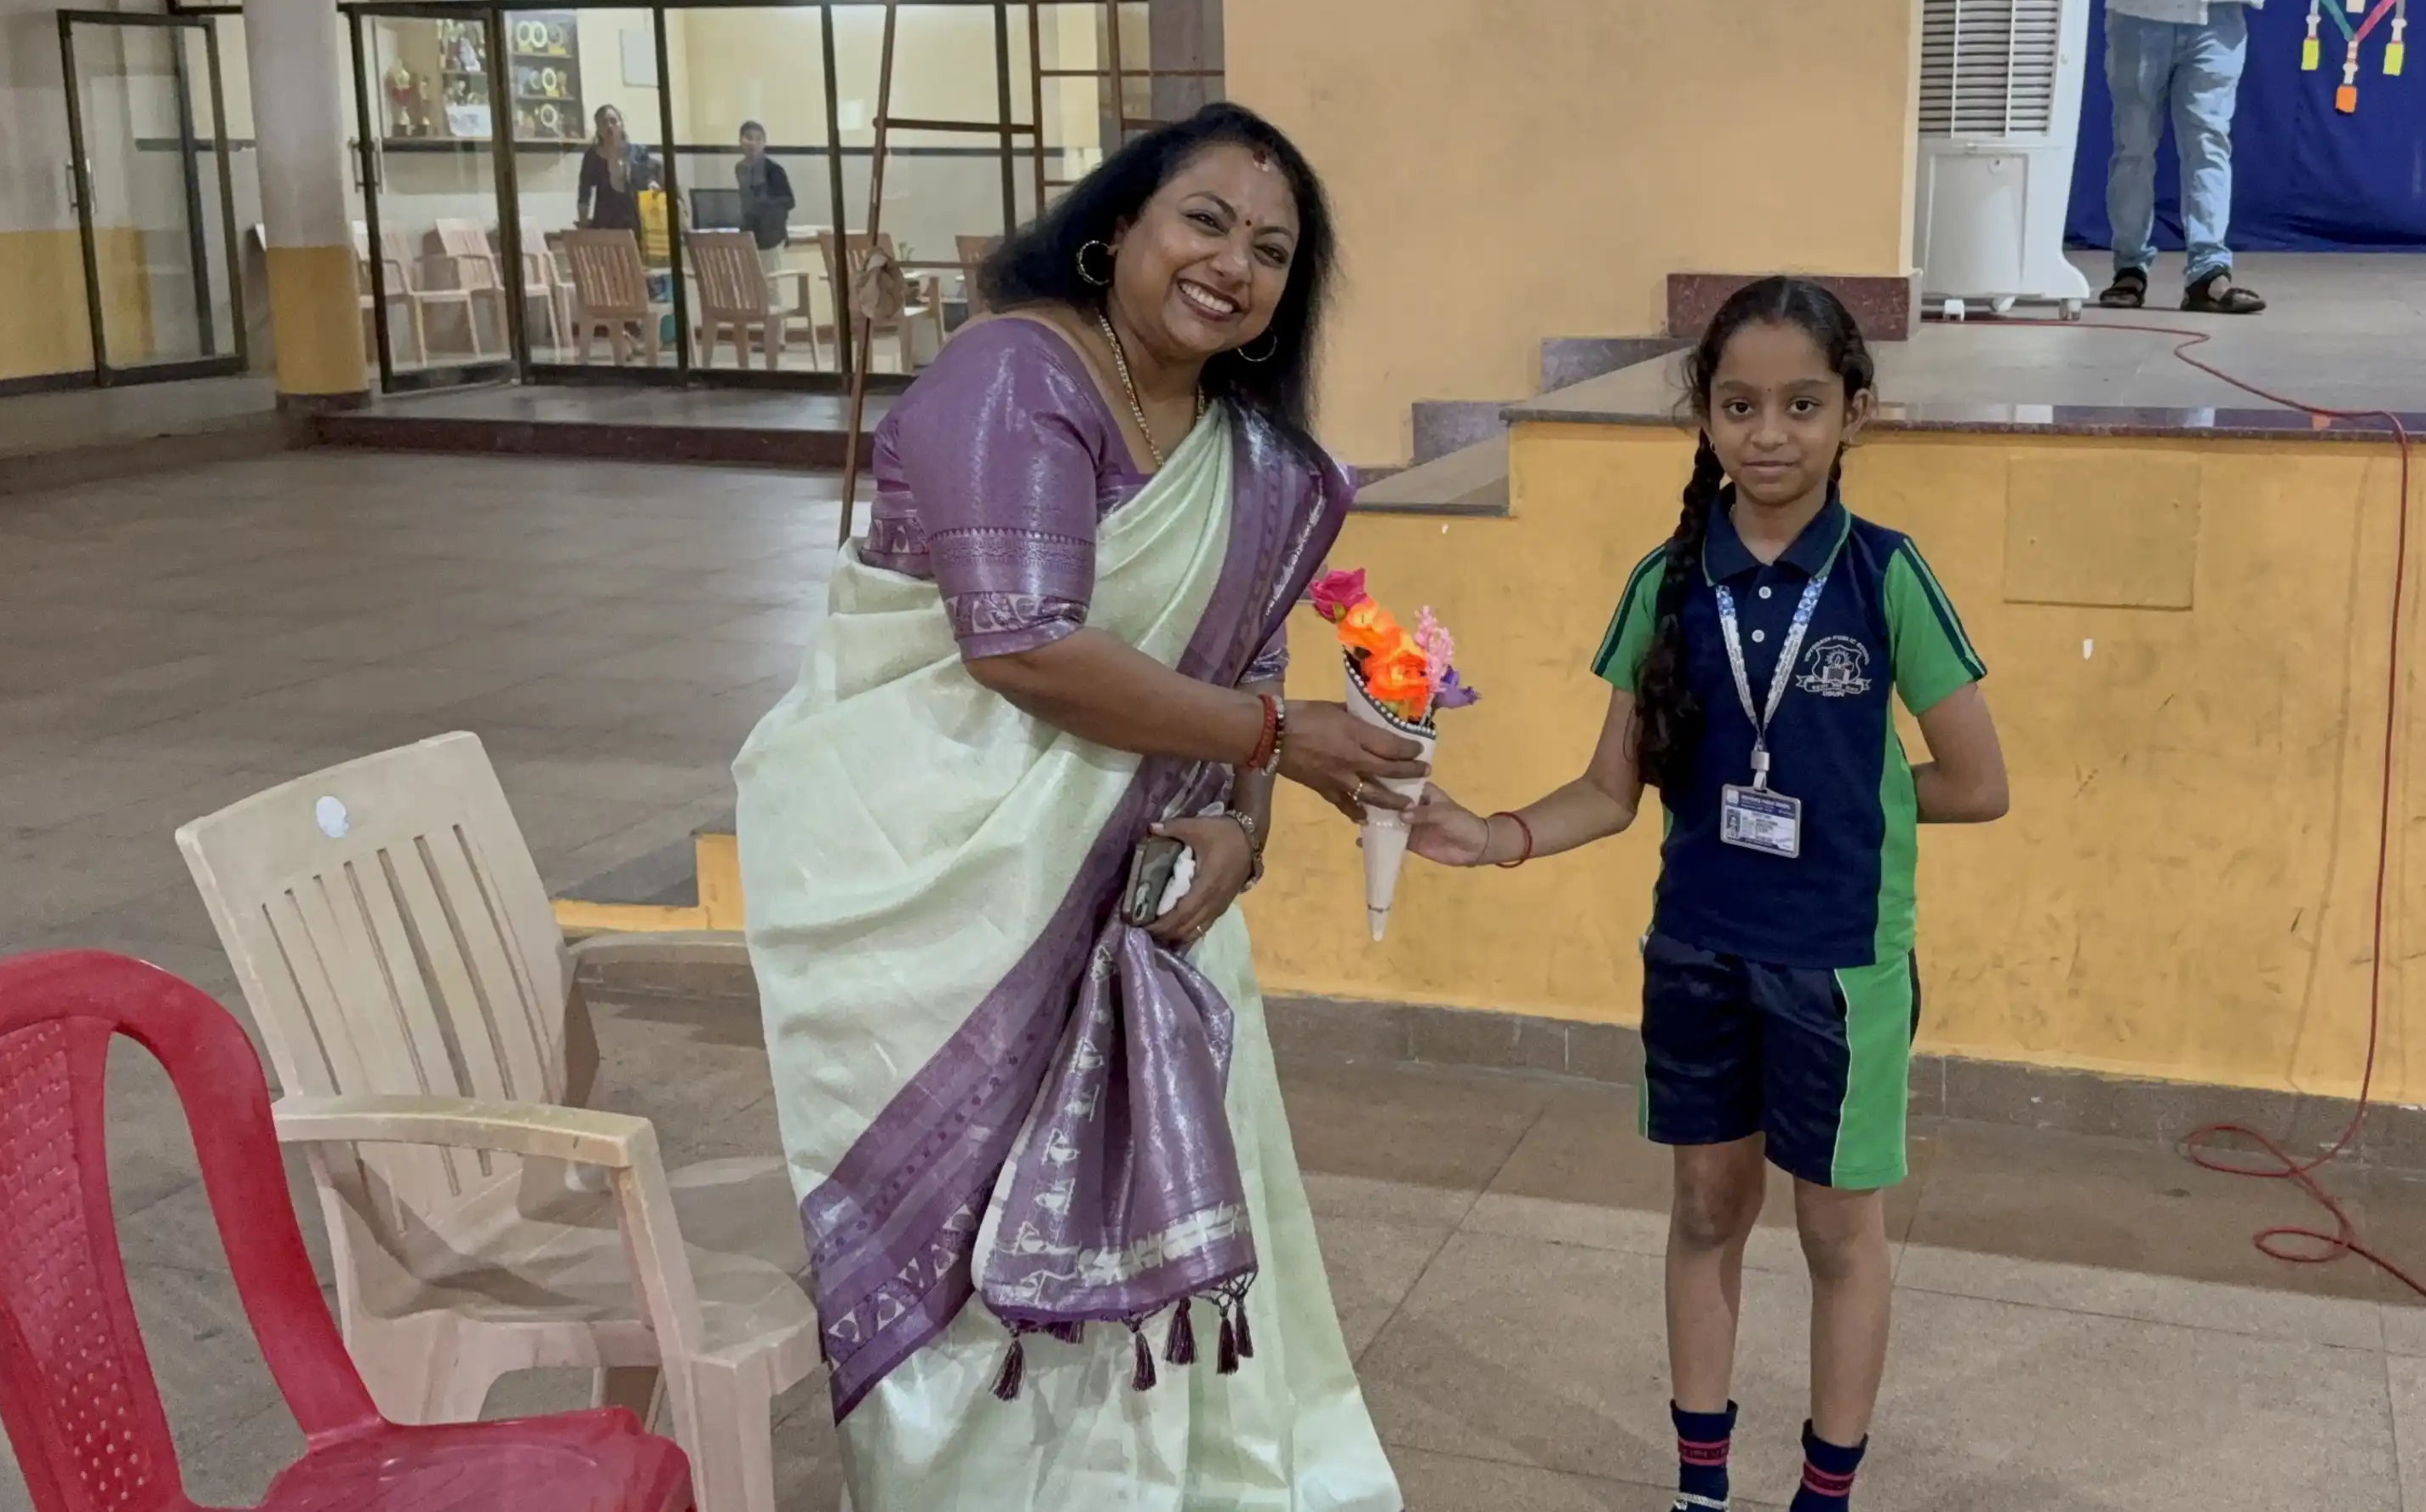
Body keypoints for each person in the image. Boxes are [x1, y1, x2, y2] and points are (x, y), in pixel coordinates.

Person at [732, 101, 1411, 1512]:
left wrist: (1247, 820)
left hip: (1146, 887)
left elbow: (1254, 645)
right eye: (1206, 220)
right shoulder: (1013, 378)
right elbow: (1021, 642)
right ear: (1119, 230)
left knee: (1175, 1211)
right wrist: (1280, 740)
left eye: (1275, 249)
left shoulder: (1250, 455)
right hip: (948, 886)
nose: (1235, 262)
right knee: (982, 1237)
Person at [1404, 278, 2009, 1512]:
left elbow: (1978, 784)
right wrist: (1492, 835)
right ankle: (1700, 1486)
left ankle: (1825, 1495)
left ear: (1856, 414)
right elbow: (1608, 791)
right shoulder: (1668, 585)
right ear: (1703, 416)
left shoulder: (1888, 579)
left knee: (1840, 1237)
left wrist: (1857, 808)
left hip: (1840, 965)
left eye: (1801, 404)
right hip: (1695, 955)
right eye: (1739, 405)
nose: (1769, 433)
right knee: (1703, 1211)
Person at [2077, 0, 2275, 315]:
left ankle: (2209, 271)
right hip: (2141, 0)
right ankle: (2129, 268)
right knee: (2134, 144)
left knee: (2209, 138)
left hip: (2219, 0)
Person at [577, 104, 656, 234]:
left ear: (621, 124)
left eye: (613, 121)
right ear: (598, 129)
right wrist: (583, 223)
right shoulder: (592, 156)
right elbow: (584, 192)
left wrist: (653, 184)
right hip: (605, 224)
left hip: (637, 222)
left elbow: (650, 180)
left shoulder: (638, 153)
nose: (609, 126)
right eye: (604, 122)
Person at [734, 119, 795, 277]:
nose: (753, 143)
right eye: (748, 137)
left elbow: (789, 201)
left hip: (771, 236)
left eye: (758, 138)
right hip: (749, 235)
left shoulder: (774, 170)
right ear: (740, 141)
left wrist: (763, 205)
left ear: (764, 142)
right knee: (751, 283)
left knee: (770, 284)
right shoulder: (740, 168)